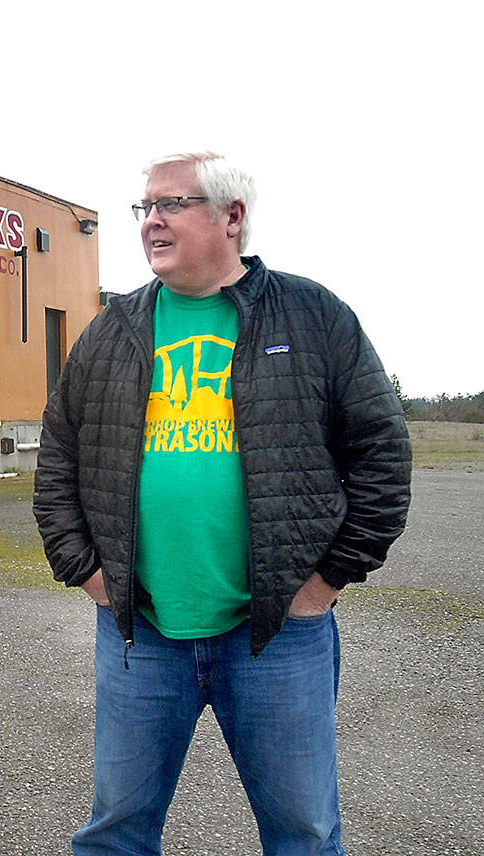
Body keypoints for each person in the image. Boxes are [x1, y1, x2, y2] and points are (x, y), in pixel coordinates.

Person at [32, 151, 411, 855]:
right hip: (140, 632)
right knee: (115, 833)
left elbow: (382, 458)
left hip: (276, 633)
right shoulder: (112, 331)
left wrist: (322, 585)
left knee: (303, 834)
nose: (151, 222)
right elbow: (57, 462)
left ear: (232, 217)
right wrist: (87, 573)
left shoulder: (313, 315)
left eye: (171, 204)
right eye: (143, 208)